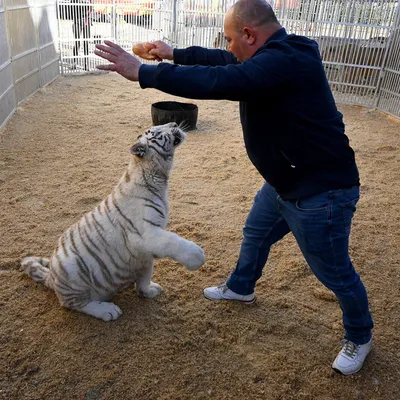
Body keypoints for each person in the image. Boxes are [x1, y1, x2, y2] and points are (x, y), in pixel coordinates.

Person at [94, 0, 374, 376]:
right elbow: (220, 63)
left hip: (320, 193)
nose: (227, 48)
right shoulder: (271, 55)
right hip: (284, 182)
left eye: (230, 39)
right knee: (256, 233)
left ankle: (360, 334)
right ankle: (241, 287)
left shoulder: (286, 61)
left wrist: (144, 72)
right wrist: (173, 53)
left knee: (335, 273)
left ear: (249, 35)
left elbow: (222, 80)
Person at [72, 0, 92, 70]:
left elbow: (90, 8)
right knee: (77, 43)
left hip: (86, 22)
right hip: (77, 22)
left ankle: (86, 64)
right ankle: (74, 63)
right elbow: (73, 8)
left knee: (86, 43)